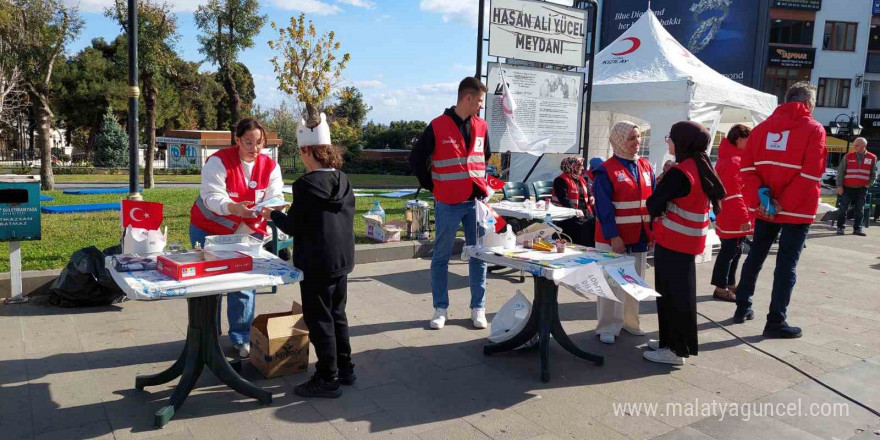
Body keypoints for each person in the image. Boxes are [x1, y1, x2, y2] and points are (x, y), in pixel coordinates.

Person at [261, 112, 355, 398]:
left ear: (306, 152)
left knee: (319, 320)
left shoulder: (304, 186)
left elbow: (294, 227)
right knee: (337, 314)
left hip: (316, 262)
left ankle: (328, 377)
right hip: (341, 260)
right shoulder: (343, 179)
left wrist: (274, 214)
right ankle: (345, 367)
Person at [733, 82, 826, 338]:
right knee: (786, 265)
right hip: (797, 209)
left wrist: (766, 201)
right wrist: (784, 203)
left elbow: (748, 170)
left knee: (755, 256)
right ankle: (775, 321)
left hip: (766, 208)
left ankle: (742, 307)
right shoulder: (814, 129)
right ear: (809, 103)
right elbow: (810, 173)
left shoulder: (761, 129)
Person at [189, 118, 283, 358]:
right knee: (209, 285)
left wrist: (273, 208)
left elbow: (275, 195)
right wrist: (233, 207)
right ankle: (207, 337)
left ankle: (241, 337)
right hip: (209, 229)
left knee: (242, 283)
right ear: (237, 139)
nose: (255, 148)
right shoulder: (218, 161)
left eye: (260, 143)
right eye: (249, 142)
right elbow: (211, 196)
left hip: (246, 232)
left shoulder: (270, 166)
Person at [409, 77, 492, 330]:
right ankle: (440, 308)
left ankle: (478, 308)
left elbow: (483, 156)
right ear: (467, 98)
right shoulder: (437, 126)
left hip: (475, 202)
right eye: (479, 101)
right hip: (447, 203)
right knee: (441, 257)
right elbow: (416, 158)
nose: (480, 105)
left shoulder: (482, 126)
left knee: (478, 256)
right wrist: (434, 186)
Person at [645, 121, 725, 365]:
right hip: (687, 243)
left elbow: (653, 202)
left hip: (673, 242)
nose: (667, 140)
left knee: (671, 296)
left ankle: (674, 349)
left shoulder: (681, 172)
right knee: (680, 295)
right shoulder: (699, 166)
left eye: (670, 137)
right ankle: (671, 342)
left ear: (682, 141)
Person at [592, 121, 654, 344]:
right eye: (631, 138)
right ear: (619, 141)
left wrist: (652, 231)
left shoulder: (646, 166)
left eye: (638, 137)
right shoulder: (605, 170)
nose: (637, 142)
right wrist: (613, 236)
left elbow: (651, 202)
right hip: (613, 238)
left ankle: (630, 322)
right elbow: (603, 207)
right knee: (611, 283)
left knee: (634, 281)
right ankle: (607, 325)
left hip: (639, 236)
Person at [711, 124, 754, 302]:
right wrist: (745, 217)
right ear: (739, 139)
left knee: (734, 251)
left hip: (731, 213)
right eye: (748, 140)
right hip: (733, 215)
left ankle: (729, 283)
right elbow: (735, 193)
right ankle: (721, 287)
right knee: (729, 252)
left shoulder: (731, 158)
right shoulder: (732, 162)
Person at [836, 137, 877, 236]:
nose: (854, 147)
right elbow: (840, 172)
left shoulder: (872, 157)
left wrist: (869, 184)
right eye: (854, 145)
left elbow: (874, 173)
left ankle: (857, 229)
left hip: (862, 188)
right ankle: (840, 227)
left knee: (860, 209)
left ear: (863, 146)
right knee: (843, 209)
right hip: (847, 187)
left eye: (856, 145)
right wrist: (839, 186)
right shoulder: (848, 156)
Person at [552, 156, 595, 246]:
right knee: (585, 227)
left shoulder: (581, 179)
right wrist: (576, 211)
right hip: (568, 214)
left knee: (595, 223)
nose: (582, 168)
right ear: (572, 167)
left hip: (584, 211)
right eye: (579, 166)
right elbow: (564, 199)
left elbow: (588, 191)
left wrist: (591, 197)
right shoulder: (560, 180)